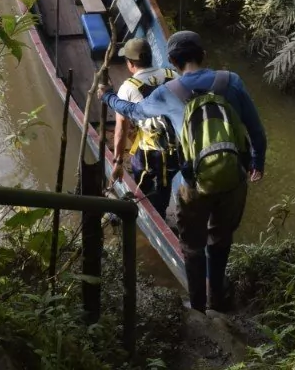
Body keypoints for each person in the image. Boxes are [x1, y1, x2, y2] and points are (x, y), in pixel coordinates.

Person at [100, 30, 266, 314]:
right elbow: (256, 131)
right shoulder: (231, 81)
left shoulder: (168, 92)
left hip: (194, 182)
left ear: (173, 62)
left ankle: (198, 306)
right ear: (204, 55)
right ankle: (217, 298)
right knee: (221, 239)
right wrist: (257, 163)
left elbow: (133, 111)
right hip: (234, 178)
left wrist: (108, 97)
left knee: (192, 245)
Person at [111, 37, 178, 216]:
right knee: (166, 181)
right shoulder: (172, 75)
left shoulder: (128, 88)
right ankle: (161, 210)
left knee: (142, 176)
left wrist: (118, 162)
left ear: (131, 63)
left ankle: (145, 211)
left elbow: (121, 129)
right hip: (177, 146)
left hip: (151, 151)